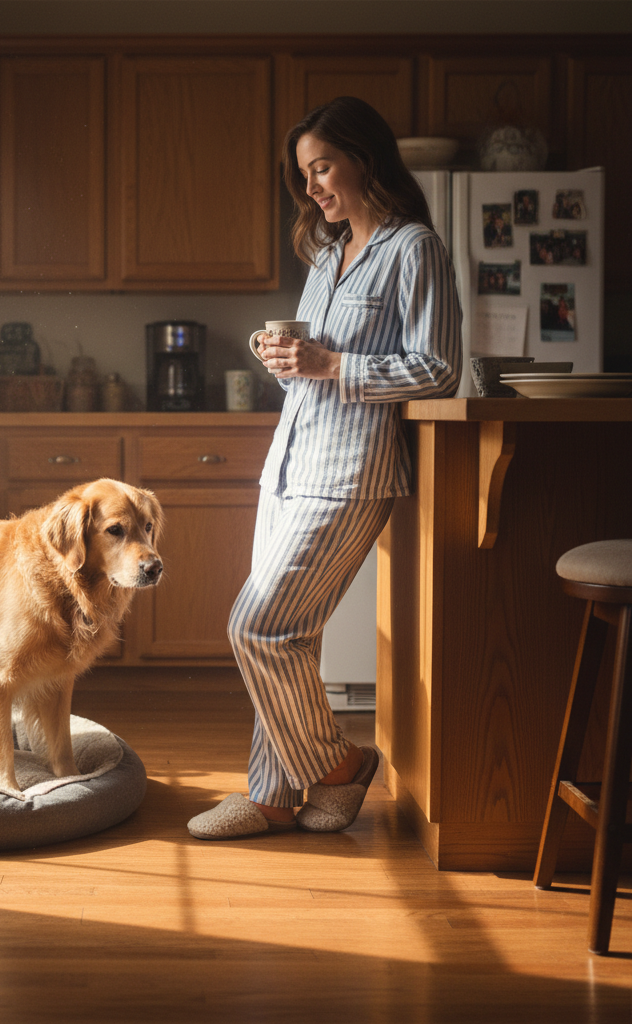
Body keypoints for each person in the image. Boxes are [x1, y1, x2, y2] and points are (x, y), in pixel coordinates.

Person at [188, 96, 462, 840]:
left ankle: (338, 766)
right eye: (304, 174)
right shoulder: (323, 255)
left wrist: (329, 362)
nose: (311, 187)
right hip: (288, 466)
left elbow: (437, 370)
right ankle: (274, 797)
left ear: (364, 159)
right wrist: (283, 360)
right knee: (290, 638)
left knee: (258, 626)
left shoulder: (414, 250)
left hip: (351, 472)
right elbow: (307, 372)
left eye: (322, 167)